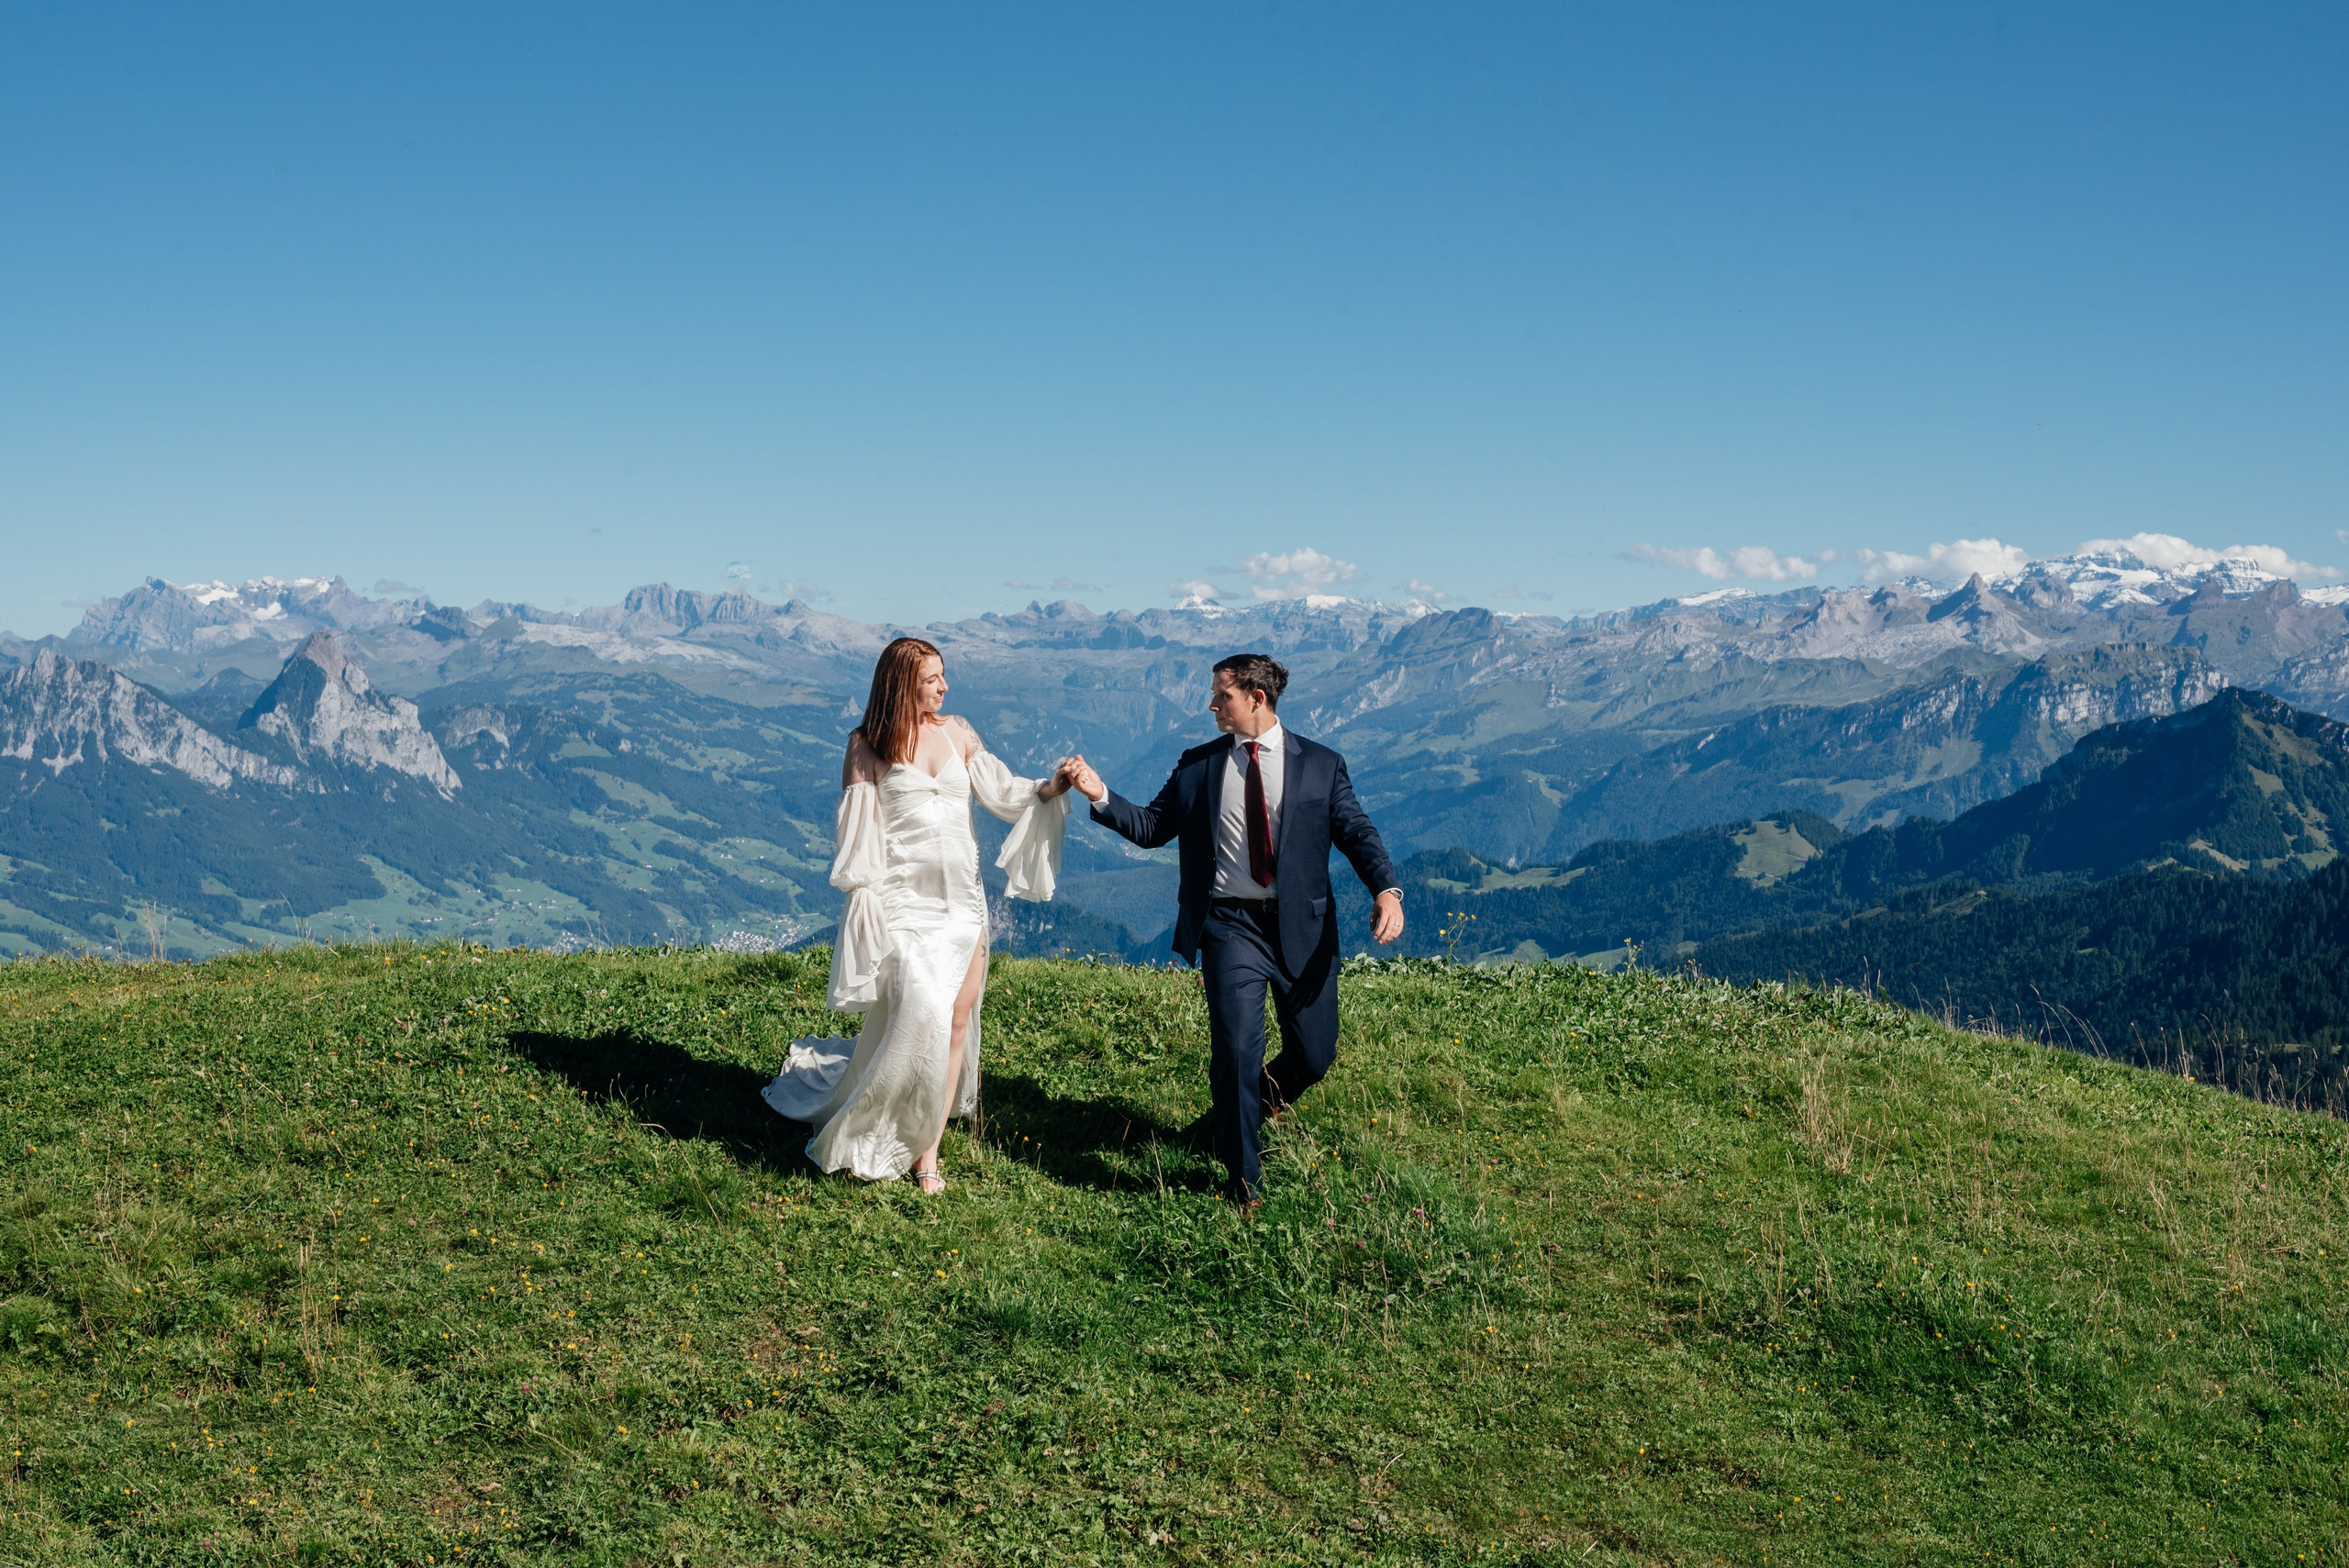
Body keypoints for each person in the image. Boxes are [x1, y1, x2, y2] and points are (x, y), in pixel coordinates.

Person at [1063, 653, 1403, 1209]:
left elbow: (1357, 832)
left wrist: (1386, 890)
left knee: (1314, 1056)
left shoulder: (1321, 764)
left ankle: (1233, 1115)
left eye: (1221, 695)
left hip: (1303, 930)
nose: (1211, 704)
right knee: (1237, 1053)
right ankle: (1244, 1182)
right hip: (1229, 926)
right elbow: (1152, 828)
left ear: (1256, 699)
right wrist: (1099, 794)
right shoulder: (1198, 766)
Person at [762, 636, 1079, 1192]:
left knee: (955, 1021)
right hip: (904, 907)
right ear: (902, 683)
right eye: (933, 679)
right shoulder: (866, 746)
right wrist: (864, 915)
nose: (944, 687)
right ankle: (874, 1119)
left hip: (963, 905)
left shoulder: (957, 732)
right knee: (919, 1013)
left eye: (943, 676)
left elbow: (1004, 794)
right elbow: (859, 841)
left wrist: (1050, 788)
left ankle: (925, 1152)